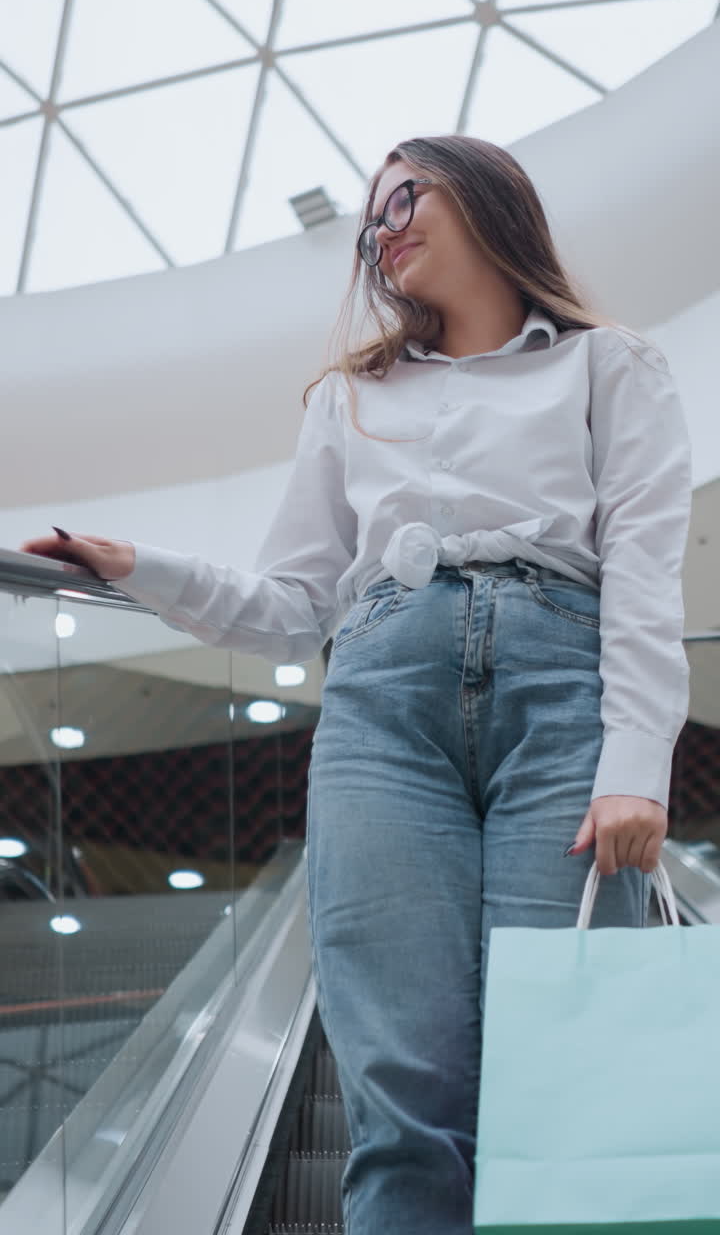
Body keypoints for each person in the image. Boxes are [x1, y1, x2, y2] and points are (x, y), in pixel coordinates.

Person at [20, 135, 692, 1235]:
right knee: (403, 1092)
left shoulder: (608, 363)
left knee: (553, 1078)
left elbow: (646, 580)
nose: (384, 232)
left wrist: (635, 765)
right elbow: (293, 601)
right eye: (373, 222)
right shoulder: (351, 398)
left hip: (562, 700)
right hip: (383, 714)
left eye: (403, 200)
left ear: (484, 195)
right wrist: (139, 566)